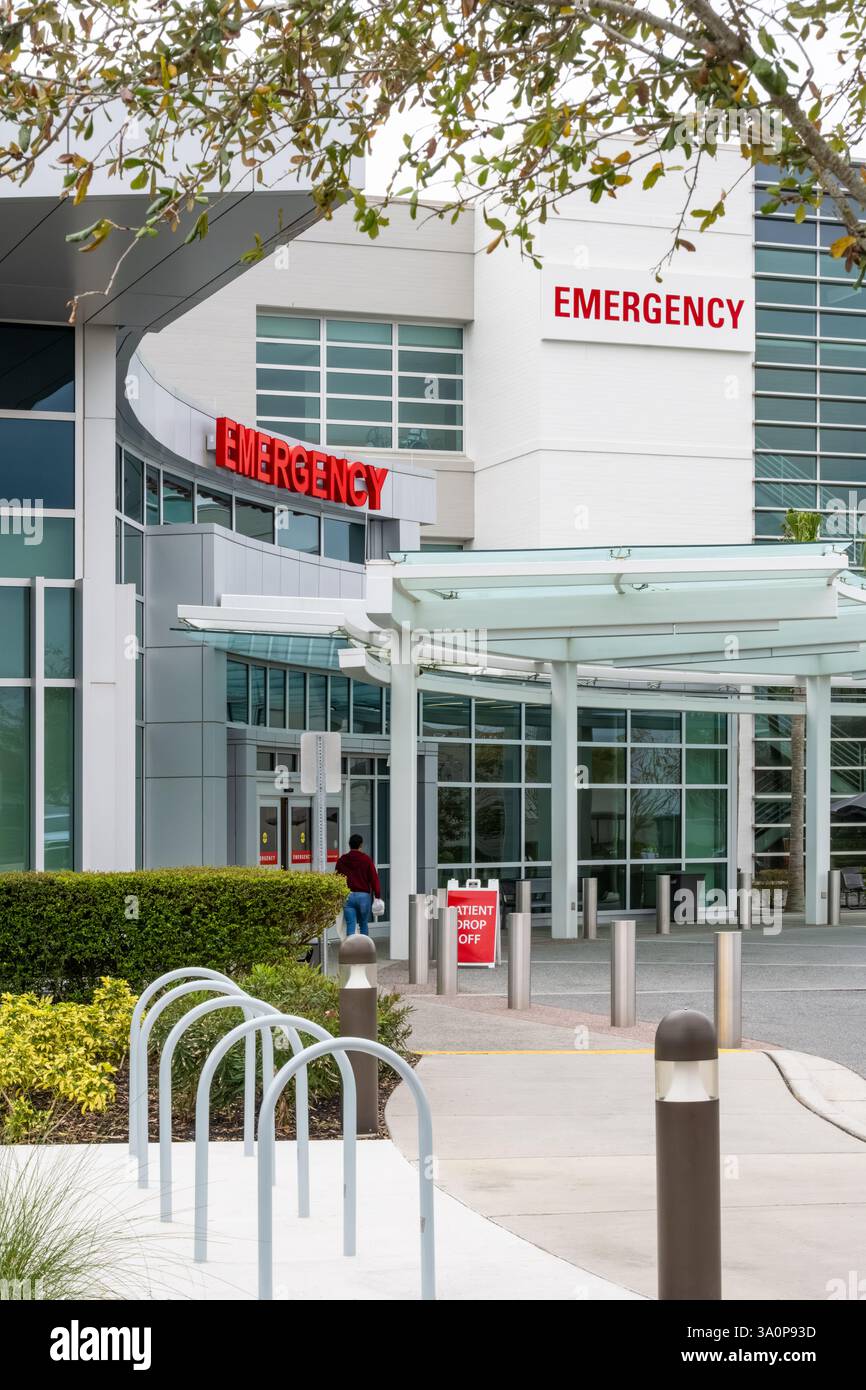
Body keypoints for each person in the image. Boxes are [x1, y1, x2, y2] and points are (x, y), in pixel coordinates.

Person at [334, 833, 381, 936]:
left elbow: (336, 878)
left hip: (348, 896)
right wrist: (377, 895)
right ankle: (364, 949)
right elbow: (374, 878)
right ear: (361, 845)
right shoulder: (366, 859)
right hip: (363, 897)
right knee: (363, 924)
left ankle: (351, 950)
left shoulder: (342, 860)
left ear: (349, 845)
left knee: (351, 925)